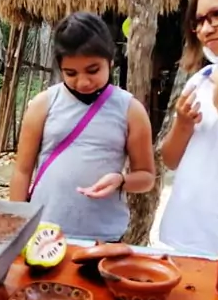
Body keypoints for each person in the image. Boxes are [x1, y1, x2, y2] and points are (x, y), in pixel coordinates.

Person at [9, 12, 155, 241]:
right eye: (71, 73)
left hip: (104, 236)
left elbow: (146, 178)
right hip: (43, 232)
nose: (83, 82)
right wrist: (16, 228)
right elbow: (22, 171)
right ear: (60, 68)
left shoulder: (131, 110)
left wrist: (122, 181)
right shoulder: (43, 105)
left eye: (93, 70)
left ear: (111, 61)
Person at [159, 0, 218, 255]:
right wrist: (183, 125)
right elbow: (169, 160)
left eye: (217, 15)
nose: (206, 30)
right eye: (199, 21)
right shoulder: (201, 80)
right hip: (183, 235)